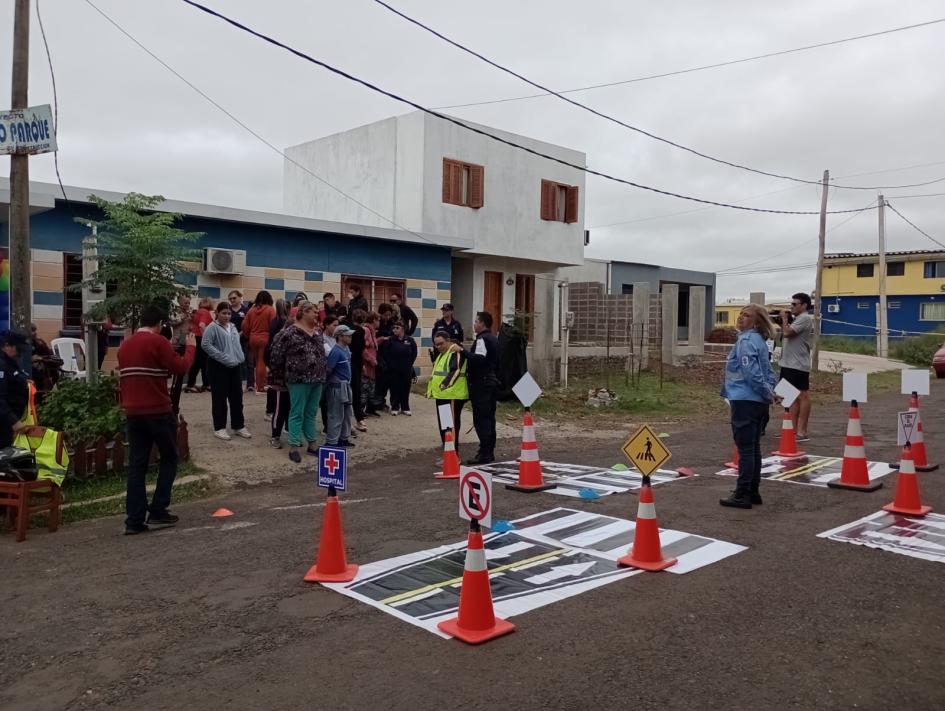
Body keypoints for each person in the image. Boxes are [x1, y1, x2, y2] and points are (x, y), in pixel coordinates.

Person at [117, 303, 196, 535]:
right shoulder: (158, 341)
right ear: (160, 324)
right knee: (170, 457)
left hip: (133, 412)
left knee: (137, 466)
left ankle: (134, 520)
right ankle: (159, 508)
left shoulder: (125, 345)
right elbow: (180, 367)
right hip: (158, 410)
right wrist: (191, 348)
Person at [719, 304, 778, 509]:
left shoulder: (745, 340)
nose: (741, 318)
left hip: (744, 399)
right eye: (741, 314)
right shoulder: (760, 341)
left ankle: (742, 493)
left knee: (745, 449)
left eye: (747, 316)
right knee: (753, 448)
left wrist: (767, 392)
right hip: (758, 402)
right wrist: (771, 391)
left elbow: (751, 372)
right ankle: (753, 491)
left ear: (756, 322)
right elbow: (769, 370)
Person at [269, 301, 327, 463]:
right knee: (296, 412)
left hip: (318, 378)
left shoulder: (317, 332)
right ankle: (294, 446)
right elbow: (275, 357)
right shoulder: (288, 333)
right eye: (314, 311)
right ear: (303, 312)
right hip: (298, 380)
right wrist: (282, 376)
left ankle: (312, 444)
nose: (317, 314)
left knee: (311, 412)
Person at [202, 302, 250, 441]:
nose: (227, 316)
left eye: (229, 313)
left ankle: (238, 425)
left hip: (234, 366)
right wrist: (223, 357)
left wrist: (240, 357)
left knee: (237, 397)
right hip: (218, 367)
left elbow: (236, 344)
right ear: (217, 313)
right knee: (219, 398)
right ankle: (219, 428)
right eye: (224, 313)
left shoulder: (233, 327)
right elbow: (206, 345)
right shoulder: (212, 327)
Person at [466, 311, 500, 465]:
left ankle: (484, 453)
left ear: (482, 323)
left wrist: (463, 352)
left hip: (482, 383)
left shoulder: (482, 339)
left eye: (475, 321)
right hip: (491, 382)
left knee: (482, 419)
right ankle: (488, 451)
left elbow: (479, 359)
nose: (474, 324)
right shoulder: (493, 338)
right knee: (489, 418)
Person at [779, 292, 814, 442]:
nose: (791, 306)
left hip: (798, 365)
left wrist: (784, 319)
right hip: (787, 363)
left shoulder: (805, 318)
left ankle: (802, 431)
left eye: (795, 304)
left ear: (804, 305)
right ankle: (790, 429)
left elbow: (787, 333)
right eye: (791, 304)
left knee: (802, 396)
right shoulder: (797, 319)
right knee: (788, 397)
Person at [427, 330, 468, 447]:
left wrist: (445, 385)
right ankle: (448, 450)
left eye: (441, 343)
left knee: (451, 425)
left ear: (448, 341)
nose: (438, 346)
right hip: (443, 395)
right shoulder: (442, 354)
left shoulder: (455, 352)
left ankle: (454, 454)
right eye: (436, 344)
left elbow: (455, 370)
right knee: (445, 424)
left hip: (452, 395)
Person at [325, 324, 356, 447]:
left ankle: (344, 438)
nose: (350, 337)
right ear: (341, 336)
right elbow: (329, 370)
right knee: (336, 415)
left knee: (347, 415)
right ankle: (332, 441)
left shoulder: (346, 350)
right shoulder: (336, 352)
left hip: (346, 385)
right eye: (348, 335)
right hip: (337, 387)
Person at [0, 330, 32, 449]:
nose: (20, 353)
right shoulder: (1, 364)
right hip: (4, 424)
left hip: (9, 424)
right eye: (18, 349)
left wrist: (24, 382)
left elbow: (14, 378)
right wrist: (13, 421)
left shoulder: (10, 363)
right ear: (7, 346)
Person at [242, 290, 276, 394]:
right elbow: (274, 325)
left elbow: (244, 325)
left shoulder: (251, 310)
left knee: (257, 362)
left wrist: (248, 335)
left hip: (253, 338)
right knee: (262, 362)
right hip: (265, 338)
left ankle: (258, 384)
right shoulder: (270, 310)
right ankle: (261, 386)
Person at [382, 321, 417, 416]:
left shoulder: (409, 340)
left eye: (397, 328)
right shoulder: (391, 340)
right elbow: (386, 353)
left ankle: (405, 407)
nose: (394, 330)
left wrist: (410, 363)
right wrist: (390, 364)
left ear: (402, 329)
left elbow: (414, 352)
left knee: (405, 387)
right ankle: (395, 406)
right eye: (394, 328)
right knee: (394, 387)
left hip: (406, 368)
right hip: (394, 368)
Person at [265, 298, 291, 420]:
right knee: (279, 386)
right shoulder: (284, 322)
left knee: (273, 384)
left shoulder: (274, 321)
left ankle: (270, 409)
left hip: (270, 353)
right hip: (278, 356)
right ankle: (274, 410)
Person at [186, 297, 213, 393]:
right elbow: (202, 325)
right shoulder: (205, 312)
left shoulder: (198, 312)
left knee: (199, 363)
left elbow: (192, 325)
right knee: (203, 362)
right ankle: (204, 384)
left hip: (194, 338)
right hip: (200, 338)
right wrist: (207, 338)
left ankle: (194, 384)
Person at [227, 290, 252, 391]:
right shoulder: (227, 309)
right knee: (231, 361)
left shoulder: (246, 310)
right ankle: (232, 382)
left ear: (239, 298)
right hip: (230, 339)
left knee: (243, 361)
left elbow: (249, 325)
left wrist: (240, 334)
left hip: (243, 339)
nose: (232, 300)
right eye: (230, 299)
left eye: (234, 298)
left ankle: (245, 383)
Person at [347, 309, 368, 431]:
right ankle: (359, 419)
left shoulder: (347, 328)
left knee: (348, 392)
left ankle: (351, 420)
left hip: (347, 362)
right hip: (355, 363)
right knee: (356, 392)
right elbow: (360, 350)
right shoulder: (360, 331)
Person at [362, 311, 381, 417]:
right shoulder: (366, 330)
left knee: (371, 387)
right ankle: (361, 409)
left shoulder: (373, 331)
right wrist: (370, 359)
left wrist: (381, 340)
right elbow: (363, 347)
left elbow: (373, 344)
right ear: (374, 320)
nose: (379, 322)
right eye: (378, 320)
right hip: (367, 364)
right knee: (365, 387)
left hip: (372, 365)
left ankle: (369, 408)